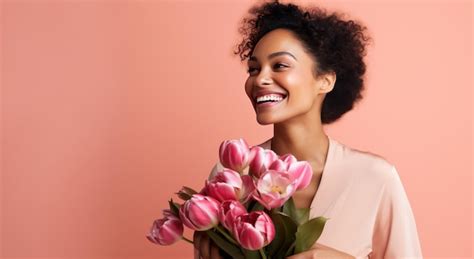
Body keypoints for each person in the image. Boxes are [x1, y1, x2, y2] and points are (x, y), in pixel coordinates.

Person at [194, 1, 423, 258]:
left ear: (324, 80)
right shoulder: (232, 176)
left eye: (279, 65)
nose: (259, 79)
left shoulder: (374, 178)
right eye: (254, 69)